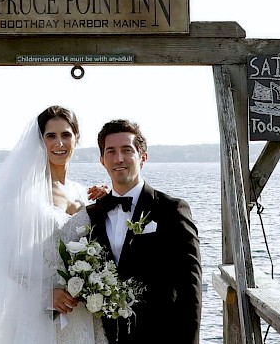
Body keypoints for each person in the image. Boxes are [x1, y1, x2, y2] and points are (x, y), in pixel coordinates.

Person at [0, 106, 108, 344]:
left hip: (80, 311)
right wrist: (45, 296)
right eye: (51, 136)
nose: (59, 143)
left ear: (77, 139)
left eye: (66, 135)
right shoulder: (24, 196)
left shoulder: (82, 193)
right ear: (40, 141)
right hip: (38, 312)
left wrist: (106, 202)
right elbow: (3, 260)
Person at [83, 119, 202, 343]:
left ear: (143, 157)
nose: (119, 159)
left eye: (127, 150)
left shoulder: (172, 209)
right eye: (111, 151)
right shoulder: (93, 214)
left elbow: (191, 287)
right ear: (102, 160)